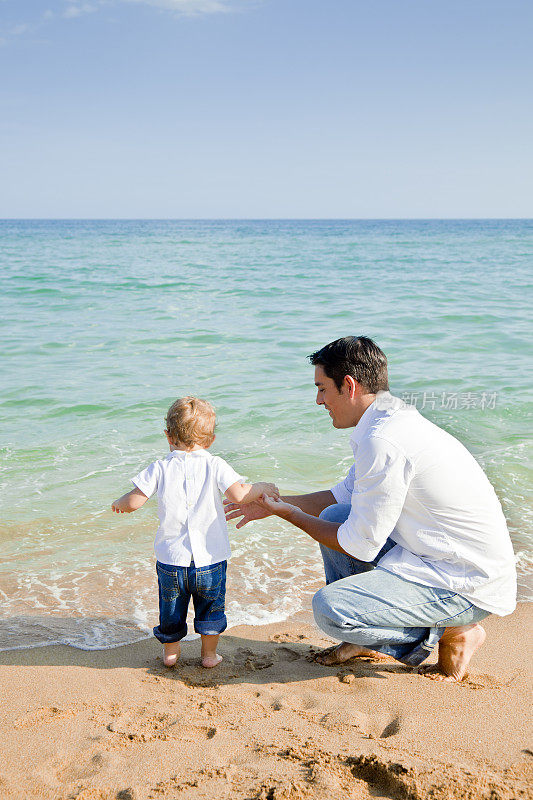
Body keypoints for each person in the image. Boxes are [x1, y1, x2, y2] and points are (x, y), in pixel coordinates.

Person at [225, 337, 517, 681]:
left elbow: (357, 544)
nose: (319, 400)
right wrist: (274, 505)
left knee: (331, 610)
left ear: (348, 385)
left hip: (466, 584)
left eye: (322, 389)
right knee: (335, 516)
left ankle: (453, 632)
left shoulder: (385, 439)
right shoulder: (387, 422)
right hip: (440, 561)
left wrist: (291, 515)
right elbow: (340, 497)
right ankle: (364, 640)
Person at [112, 396, 279, 669]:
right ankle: (209, 656)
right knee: (210, 610)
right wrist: (260, 487)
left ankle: (171, 654)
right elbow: (239, 495)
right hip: (210, 558)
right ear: (211, 440)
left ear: (168, 435)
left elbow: (134, 501)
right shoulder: (215, 464)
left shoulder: (160, 467)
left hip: (171, 561)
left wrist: (120, 503)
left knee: (171, 610)